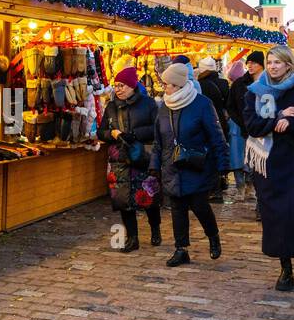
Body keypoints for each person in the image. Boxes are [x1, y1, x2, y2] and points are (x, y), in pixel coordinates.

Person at [243, 45, 294, 291]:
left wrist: (291, 123)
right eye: (269, 62)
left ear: (289, 64)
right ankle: (285, 267)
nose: (272, 66)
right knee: (276, 216)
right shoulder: (255, 92)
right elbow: (252, 125)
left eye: (278, 62)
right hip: (268, 163)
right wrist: (278, 117)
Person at [152, 61, 227, 266]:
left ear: (177, 85)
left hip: (196, 164)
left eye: (166, 84)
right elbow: (159, 141)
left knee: (199, 205)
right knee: (177, 208)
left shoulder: (201, 104)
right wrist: (154, 165)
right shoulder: (164, 108)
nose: (164, 87)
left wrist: (222, 166)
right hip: (172, 165)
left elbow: (216, 136)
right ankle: (181, 248)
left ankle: (213, 237)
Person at [97, 66, 161, 251]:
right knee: (123, 201)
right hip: (120, 160)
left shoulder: (148, 104)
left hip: (142, 157)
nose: (118, 89)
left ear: (133, 86)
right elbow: (101, 132)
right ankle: (132, 238)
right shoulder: (111, 107)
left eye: (122, 85)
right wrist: (113, 134)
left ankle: (155, 229)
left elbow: (156, 129)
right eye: (116, 85)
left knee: (148, 198)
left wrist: (134, 134)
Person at [226, 50, 264, 208]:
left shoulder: (266, 83)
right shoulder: (239, 83)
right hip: (239, 126)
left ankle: (251, 186)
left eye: (254, 62)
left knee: (254, 159)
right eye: (248, 62)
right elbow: (230, 105)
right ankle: (240, 187)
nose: (250, 65)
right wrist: (240, 121)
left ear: (262, 65)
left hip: (258, 128)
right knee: (238, 159)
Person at [195, 56, 230, 203]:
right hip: (220, 121)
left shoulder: (201, 85)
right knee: (217, 152)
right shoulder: (223, 83)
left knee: (209, 155)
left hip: (207, 122)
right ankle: (218, 186)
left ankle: (213, 189)